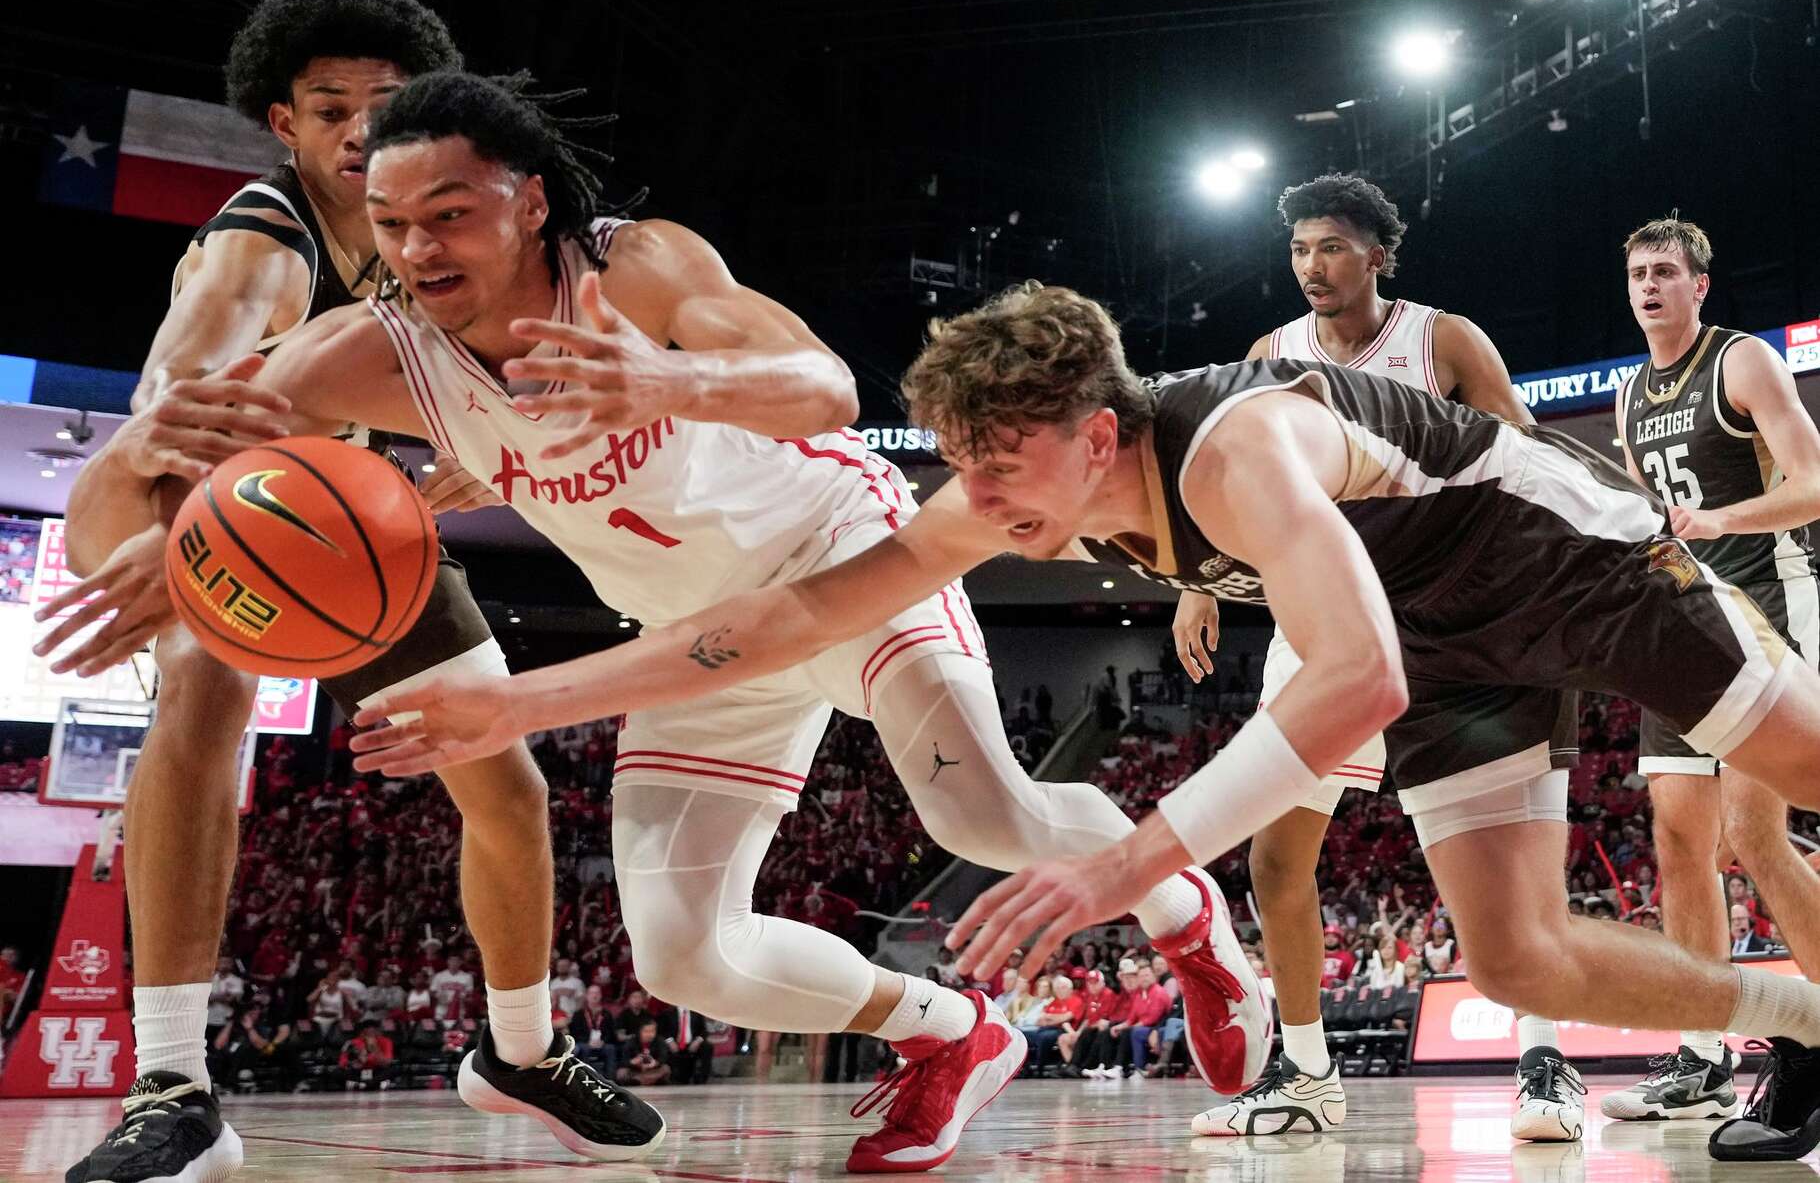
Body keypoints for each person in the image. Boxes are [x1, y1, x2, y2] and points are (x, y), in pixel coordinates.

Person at [50, 70, 1267, 1172]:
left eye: (450, 214)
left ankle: (1187, 917)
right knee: (682, 956)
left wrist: (671, 378)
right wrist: (163, 544)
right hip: (689, 627)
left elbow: (827, 386)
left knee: (978, 813)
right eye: (391, 222)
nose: (416, 247)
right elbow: (134, 471)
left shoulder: (634, 270)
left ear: (527, 203)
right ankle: (952, 1032)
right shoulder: (367, 355)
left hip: (836, 548)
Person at [352, 278, 1820, 1162]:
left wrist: (1126, 865)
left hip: (1568, 558)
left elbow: (1353, 681)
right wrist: (514, 702)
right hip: (1440, 642)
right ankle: (1804, 1016)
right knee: (1519, 956)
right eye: (965, 471)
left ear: (1098, 429)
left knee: (1804, 767)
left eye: (1002, 468)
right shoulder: (1021, 488)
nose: (980, 503)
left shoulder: (1234, 445)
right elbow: (784, 621)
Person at [49, 0, 661, 1182]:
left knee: (510, 785)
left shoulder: (421, 238)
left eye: (381, 107)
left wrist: (461, 463)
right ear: (283, 122)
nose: (354, 130)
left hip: (356, 532)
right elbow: (185, 386)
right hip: (221, 505)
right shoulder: (259, 239)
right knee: (200, 688)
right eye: (330, 107)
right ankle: (171, 1083)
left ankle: (523, 1049)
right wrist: (177, 523)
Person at [1173, 174, 1576, 1140]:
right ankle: (1308, 1073)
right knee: (1276, 855)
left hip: (1446, 615)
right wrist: (1198, 578)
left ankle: (1544, 1059)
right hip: (1323, 613)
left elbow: (1523, 457)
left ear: (1377, 255)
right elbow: (1235, 472)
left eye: (1332, 249)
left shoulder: (1444, 340)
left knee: (1503, 866)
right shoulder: (1274, 352)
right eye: (1300, 250)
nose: (1313, 267)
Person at [1599, 214, 1820, 1126]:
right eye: (1636, 272)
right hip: (1683, 622)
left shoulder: (1742, 363)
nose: (1648, 285)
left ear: (1699, 285)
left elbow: (1813, 478)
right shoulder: (1626, 393)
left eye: (1665, 271)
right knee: (1680, 843)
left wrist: (1725, 523)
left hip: (1768, 605)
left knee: (1754, 835)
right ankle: (1701, 1053)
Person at [656, 1002, 714, 1085]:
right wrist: (669, 1041)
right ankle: (671, 1077)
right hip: (674, 1044)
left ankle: (703, 1078)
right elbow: (661, 1030)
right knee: (663, 1047)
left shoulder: (697, 1013)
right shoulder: (668, 1013)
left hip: (692, 1044)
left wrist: (697, 1041)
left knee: (707, 1047)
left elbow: (704, 1031)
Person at [618, 1020, 671, 1087]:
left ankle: (641, 1081)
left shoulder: (659, 1041)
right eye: (646, 1031)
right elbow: (623, 1061)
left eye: (652, 1031)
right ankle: (647, 1081)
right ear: (640, 1032)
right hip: (636, 1071)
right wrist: (633, 1062)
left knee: (666, 1068)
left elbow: (664, 1057)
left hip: (653, 1070)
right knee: (621, 1072)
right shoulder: (631, 1042)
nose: (650, 1034)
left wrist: (654, 1063)